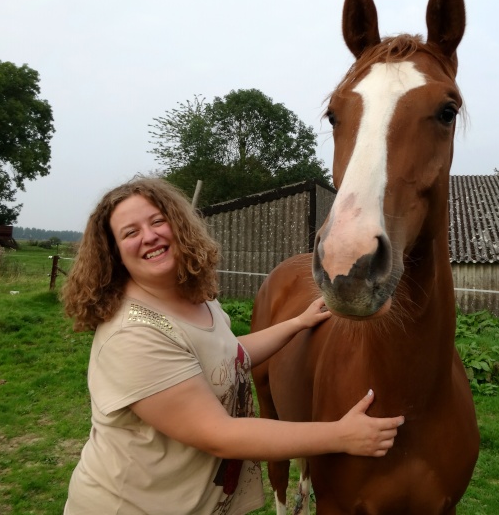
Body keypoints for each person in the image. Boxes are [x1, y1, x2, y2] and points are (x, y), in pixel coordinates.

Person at [63, 177, 404, 515]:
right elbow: (220, 434)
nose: (150, 236)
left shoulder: (193, 300)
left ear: (177, 224)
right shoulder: (133, 334)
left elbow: (227, 356)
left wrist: (297, 323)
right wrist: (341, 436)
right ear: (114, 253)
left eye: (157, 221)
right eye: (130, 232)